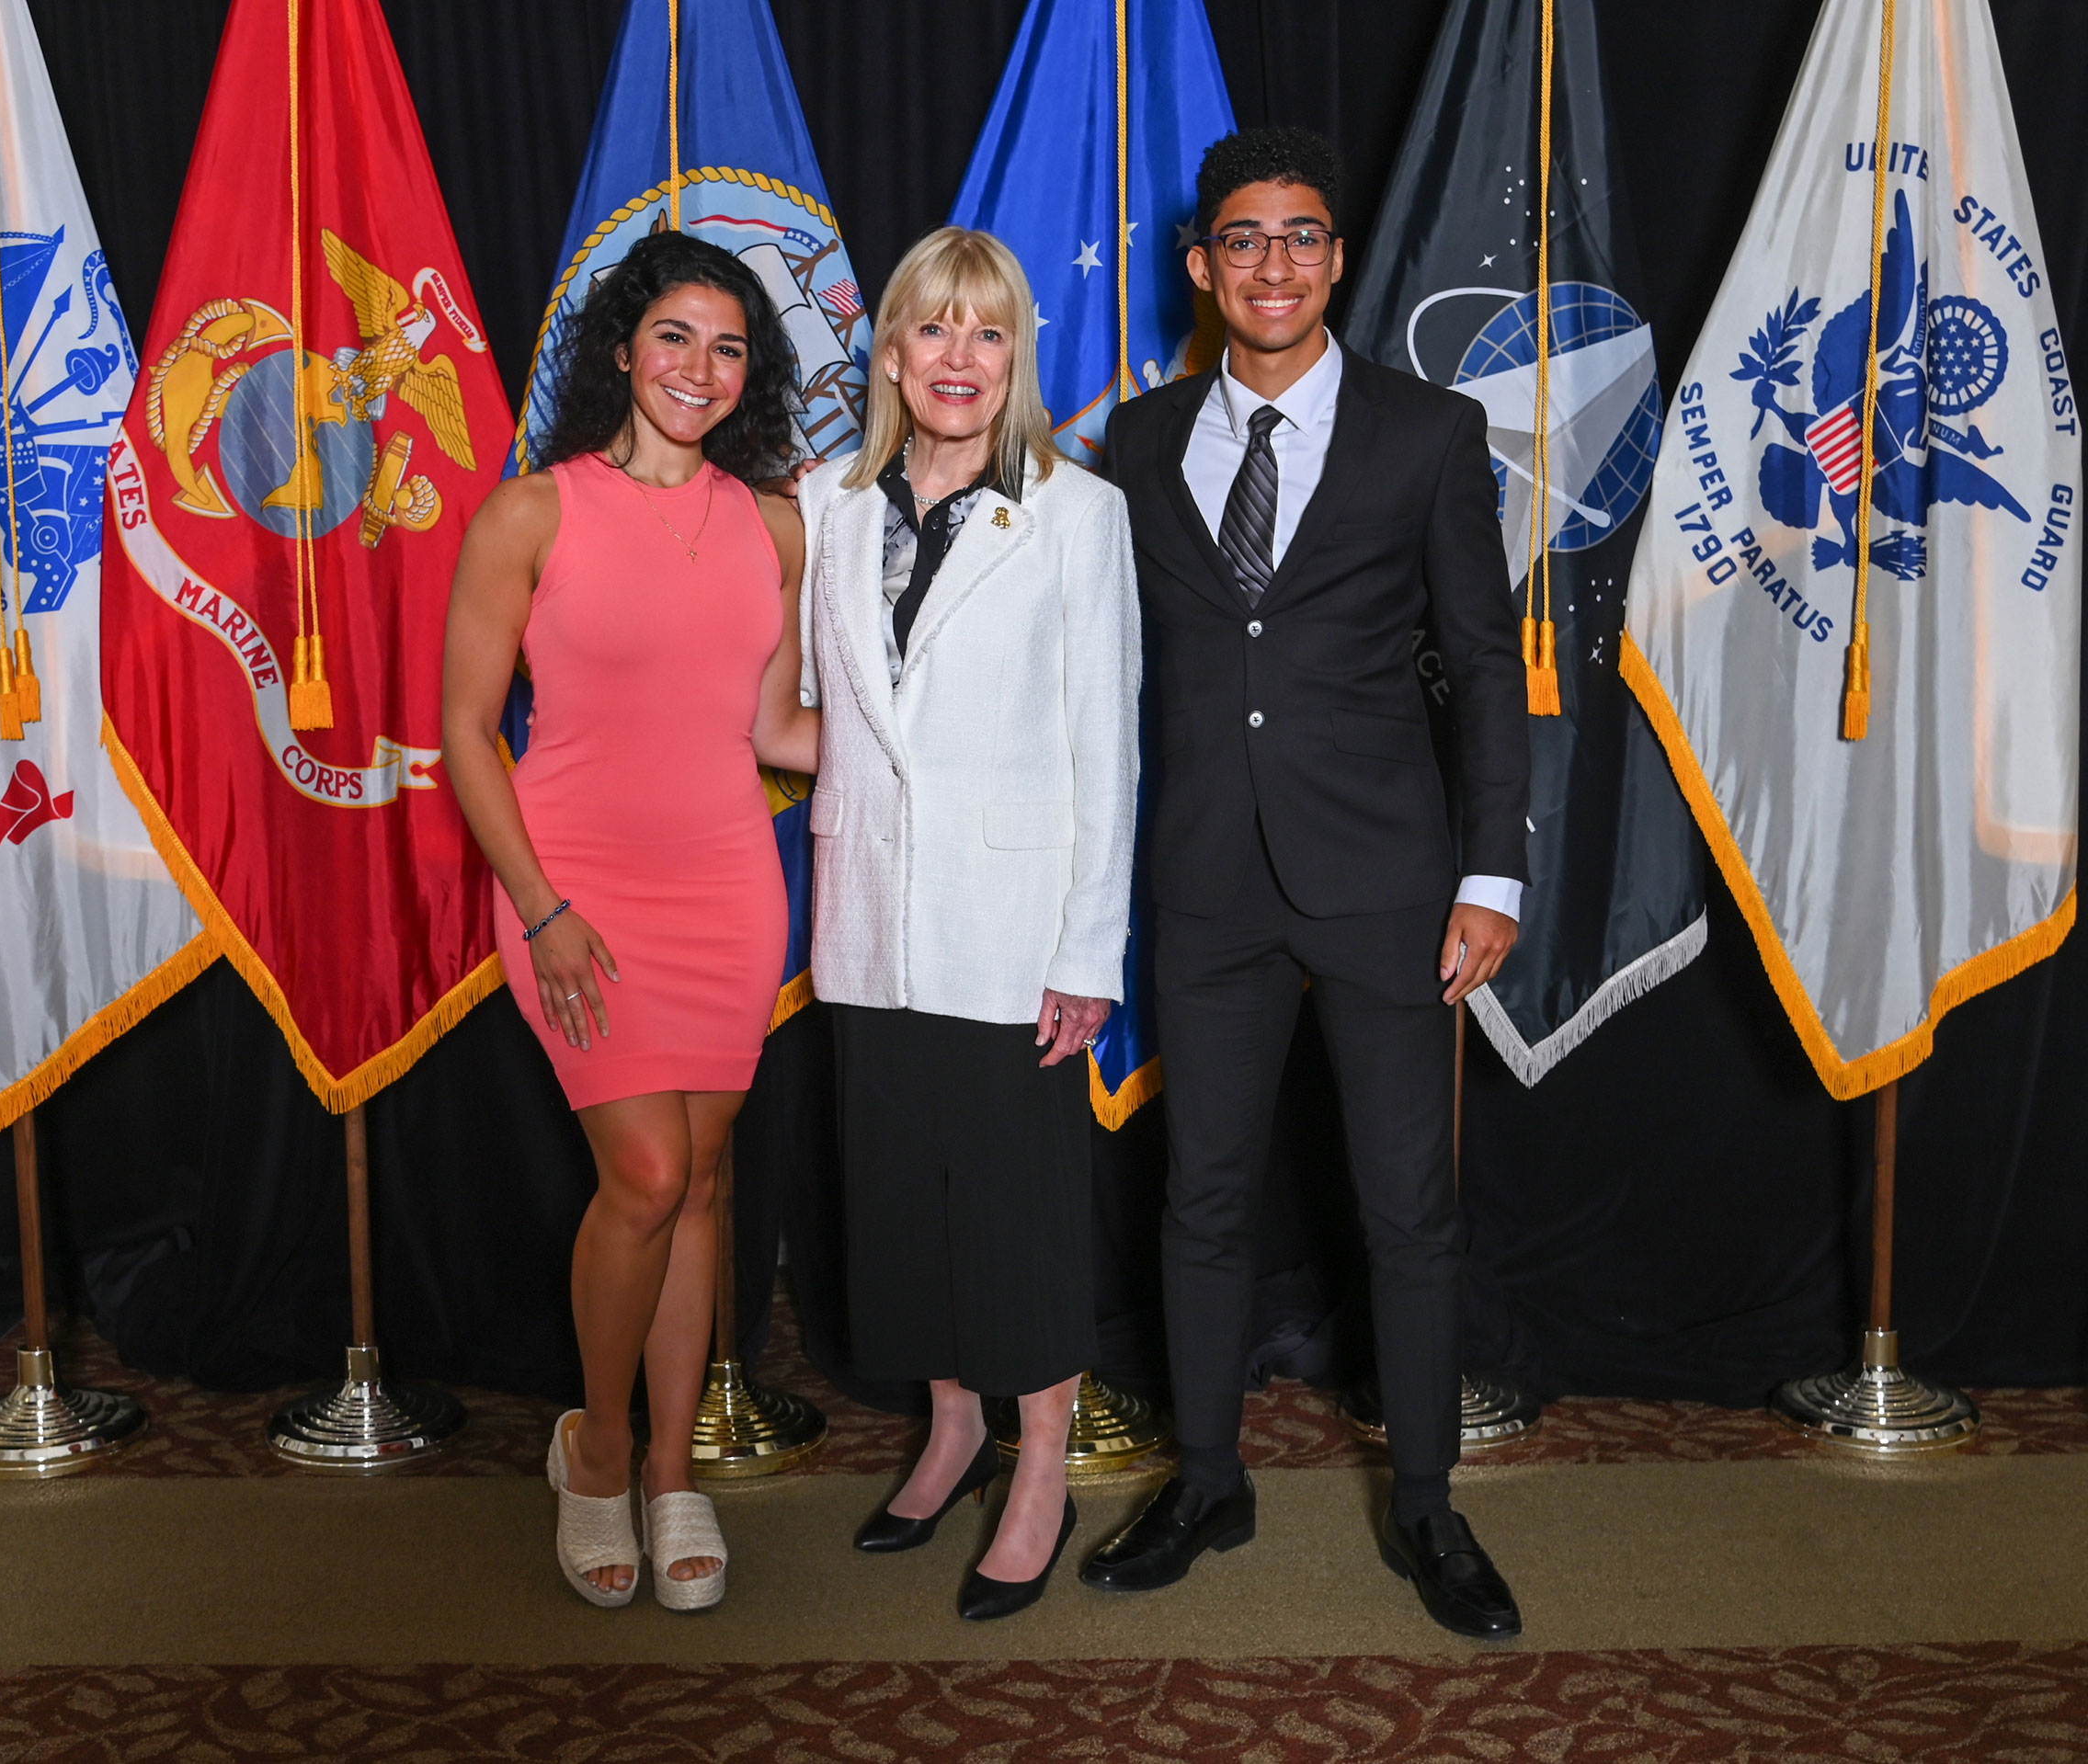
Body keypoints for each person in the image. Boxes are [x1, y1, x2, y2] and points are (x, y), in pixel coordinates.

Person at [1078, 128, 1532, 1641]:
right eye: (1242, 241)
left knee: (1408, 1210)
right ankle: (1209, 1476)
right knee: (1200, 1196)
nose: (1273, 265)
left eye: (1302, 237)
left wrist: (1492, 874)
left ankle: (1427, 1508)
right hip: (1205, 885)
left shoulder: (1429, 432)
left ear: (1335, 259)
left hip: (1391, 886)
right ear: (1201, 266)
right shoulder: (1135, 445)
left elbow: (1483, 666)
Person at [441, 232, 816, 1613]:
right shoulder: (533, 512)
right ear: (620, 347)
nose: (698, 368)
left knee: (706, 1180)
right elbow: (466, 735)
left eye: (726, 348)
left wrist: (941, 746)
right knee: (648, 1176)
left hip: (728, 880)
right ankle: (594, 1451)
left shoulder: (772, 521)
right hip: (573, 885)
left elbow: (775, 724)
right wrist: (541, 910)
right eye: (674, 337)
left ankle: (673, 1472)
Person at [795, 227, 1139, 1622]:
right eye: (933, 329)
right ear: (889, 351)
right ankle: (949, 1427)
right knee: (902, 1202)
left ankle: (1040, 1455)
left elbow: (1104, 742)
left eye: (987, 334)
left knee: (1017, 1209)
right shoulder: (825, 502)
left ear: (1018, 358)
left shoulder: (1077, 510)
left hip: (1015, 926)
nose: (958, 358)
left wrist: (1087, 950)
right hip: (869, 912)